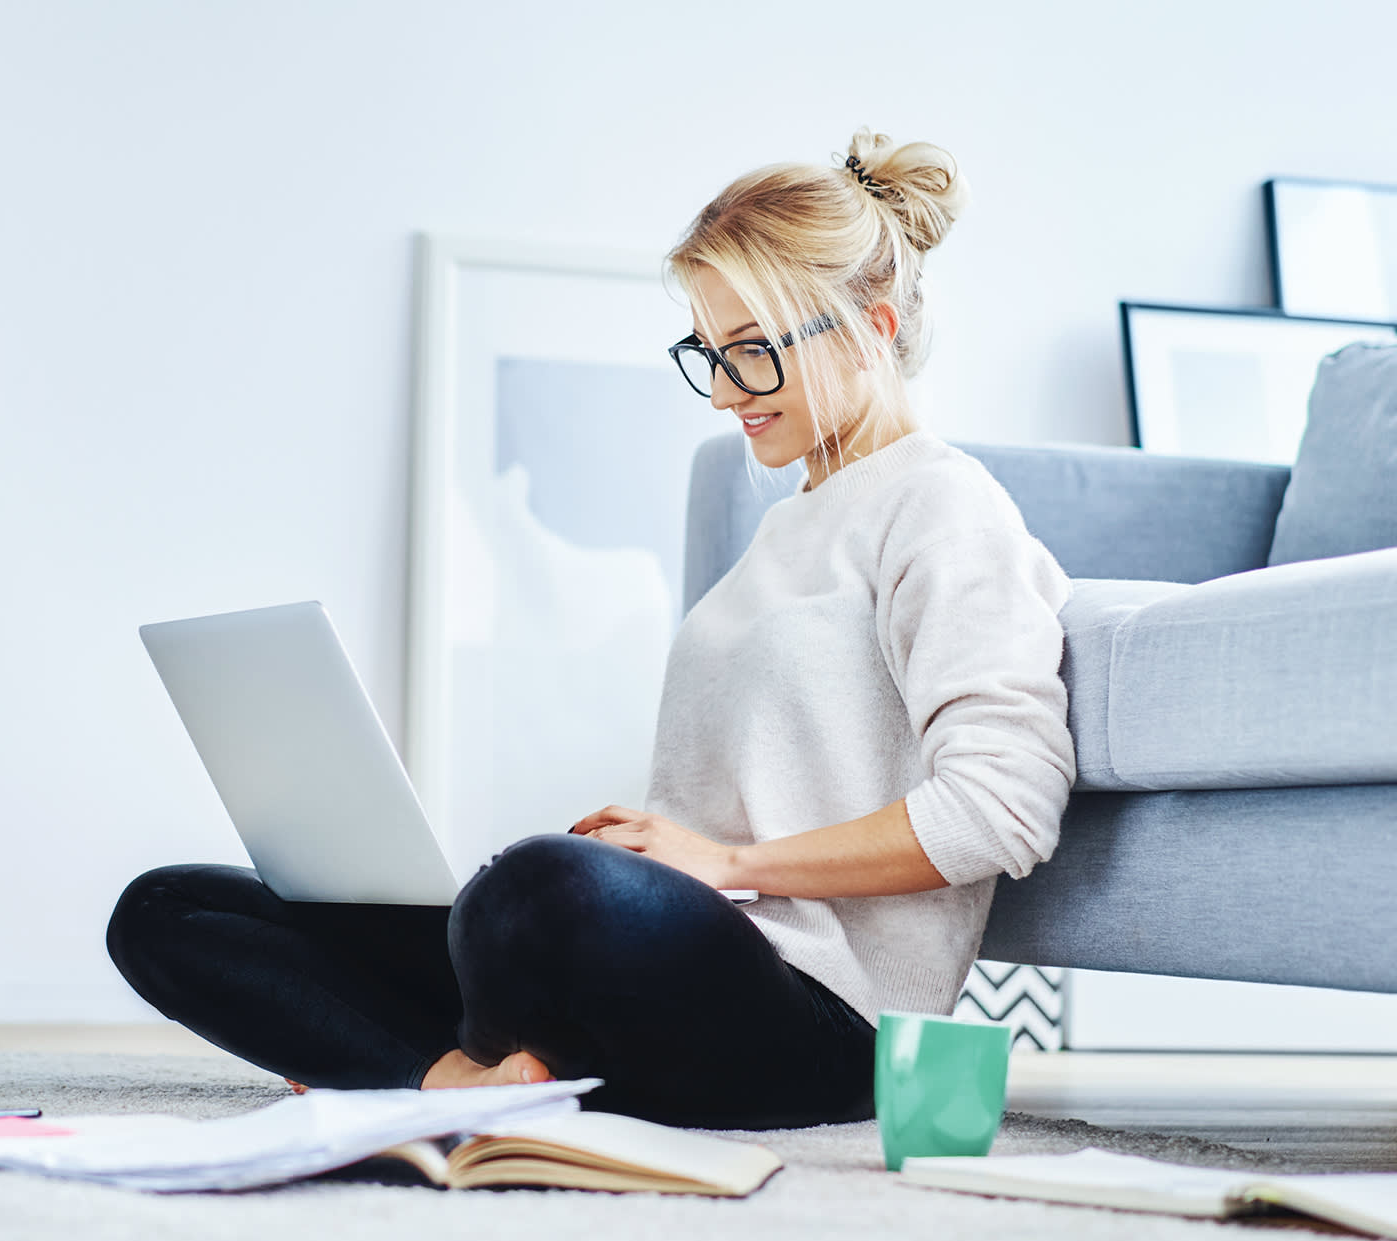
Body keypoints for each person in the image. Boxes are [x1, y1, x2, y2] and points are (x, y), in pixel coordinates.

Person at [105, 127, 1077, 1130]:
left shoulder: (944, 508)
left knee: (533, 894)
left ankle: (425, 1044)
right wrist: (661, 858)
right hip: (676, 958)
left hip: (826, 1018)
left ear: (872, 328)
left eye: (754, 352)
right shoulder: (790, 527)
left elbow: (1004, 807)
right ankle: (464, 1083)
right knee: (170, 911)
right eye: (709, 352)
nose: (728, 392)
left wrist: (729, 866)